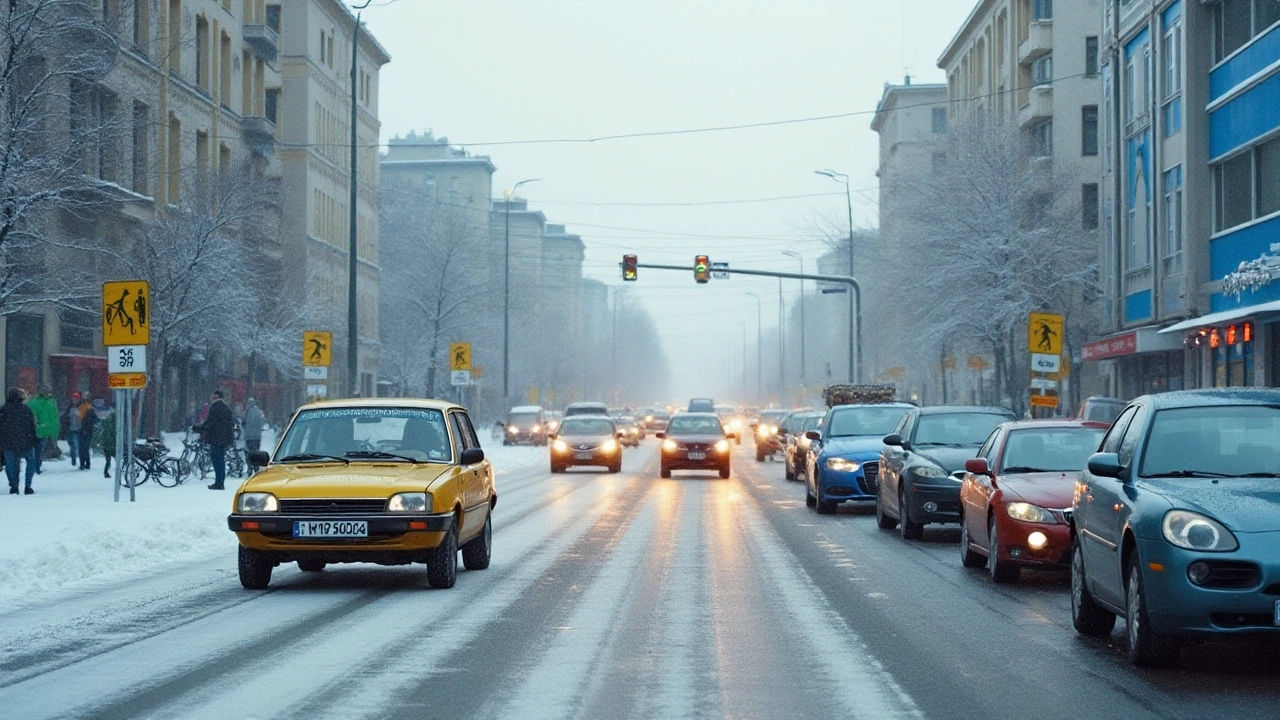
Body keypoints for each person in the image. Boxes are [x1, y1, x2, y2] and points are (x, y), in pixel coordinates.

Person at [0, 387, 39, 494]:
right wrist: (33, 439)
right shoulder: (25, 410)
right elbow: (32, 426)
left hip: (8, 442)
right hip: (25, 440)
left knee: (10, 463)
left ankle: (13, 484)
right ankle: (28, 485)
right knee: (30, 461)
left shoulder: (3, 410)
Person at [195, 389, 235, 490]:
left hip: (216, 438)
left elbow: (210, 422)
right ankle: (221, 481)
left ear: (216, 397)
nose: (211, 398)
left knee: (216, 459)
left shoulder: (214, 408)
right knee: (221, 459)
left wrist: (199, 428)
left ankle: (218, 482)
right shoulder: (227, 408)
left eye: (212, 396)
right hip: (224, 438)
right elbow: (230, 424)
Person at [27, 385, 59, 474]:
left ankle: (35, 466)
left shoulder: (34, 403)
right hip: (45, 430)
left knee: (36, 450)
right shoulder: (51, 403)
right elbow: (54, 417)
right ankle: (36, 466)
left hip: (38, 429)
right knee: (39, 450)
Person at [73, 395, 97, 470]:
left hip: (81, 429)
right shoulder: (90, 407)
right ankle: (86, 463)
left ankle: (82, 464)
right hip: (87, 430)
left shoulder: (79, 407)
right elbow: (93, 419)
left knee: (82, 447)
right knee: (85, 447)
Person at [242, 397, 265, 473]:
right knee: (256, 451)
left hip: (249, 436)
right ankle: (256, 466)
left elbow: (244, 423)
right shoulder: (258, 411)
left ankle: (249, 467)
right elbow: (261, 422)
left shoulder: (247, 411)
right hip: (257, 436)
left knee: (248, 452)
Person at [96, 404, 117, 479]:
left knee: (108, 460)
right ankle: (119, 471)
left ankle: (106, 472)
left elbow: (102, 431)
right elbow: (114, 432)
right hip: (112, 444)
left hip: (106, 444)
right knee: (117, 458)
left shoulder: (106, 420)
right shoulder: (114, 422)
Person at [65, 392, 84, 465]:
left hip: (79, 429)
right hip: (71, 429)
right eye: (73, 397)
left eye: (76, 397)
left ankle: (79, 461)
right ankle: (74, 460)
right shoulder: (69, 407)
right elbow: (65, 417)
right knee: (73, 445)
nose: (75, 399)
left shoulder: (82, 407)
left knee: (77, 445)